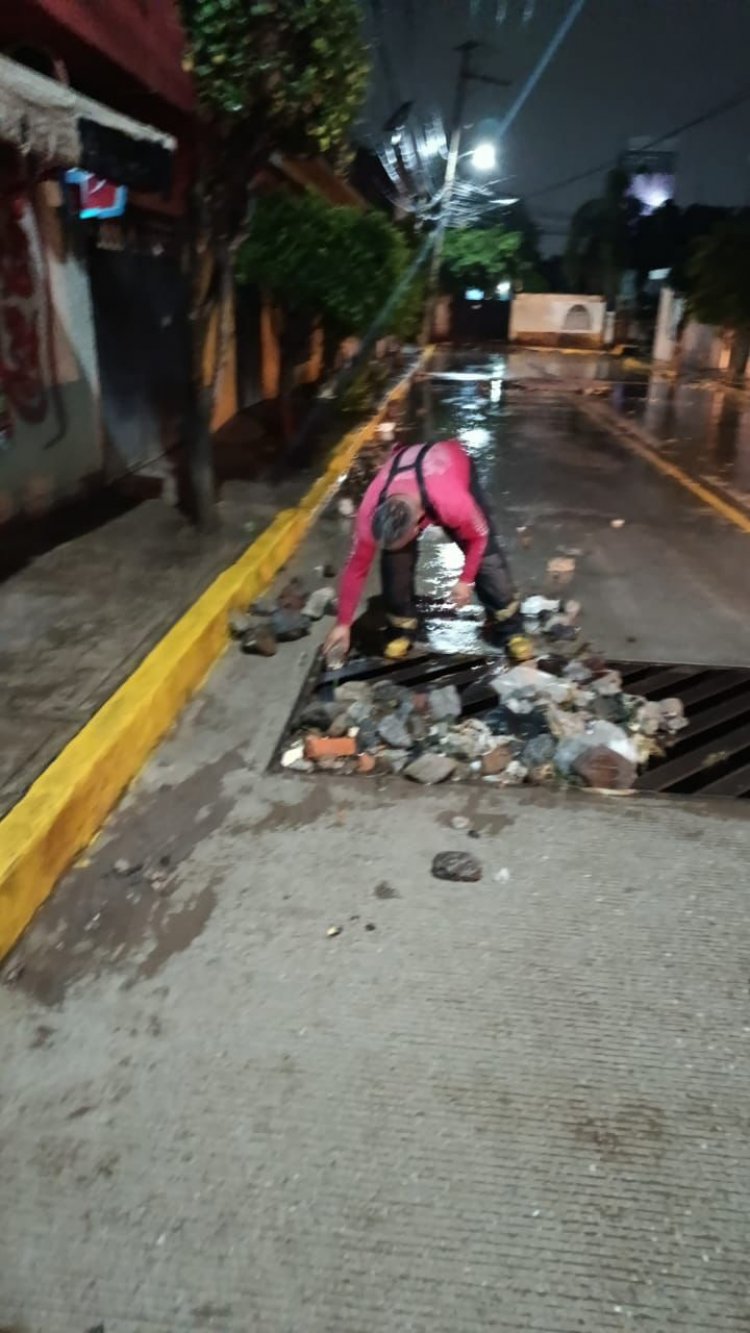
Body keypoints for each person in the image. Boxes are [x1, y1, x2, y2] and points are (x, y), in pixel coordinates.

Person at [324, 435, 532, 663]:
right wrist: (343, 623)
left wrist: (466, 579)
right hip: (409, 471)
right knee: (394, 563)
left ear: (418, 527)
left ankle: (510, 630)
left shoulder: (453, 502)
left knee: (488, 562)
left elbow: (479, 537)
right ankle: (402, 628)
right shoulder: (369, 511)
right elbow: (356, 568)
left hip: (449, 464)